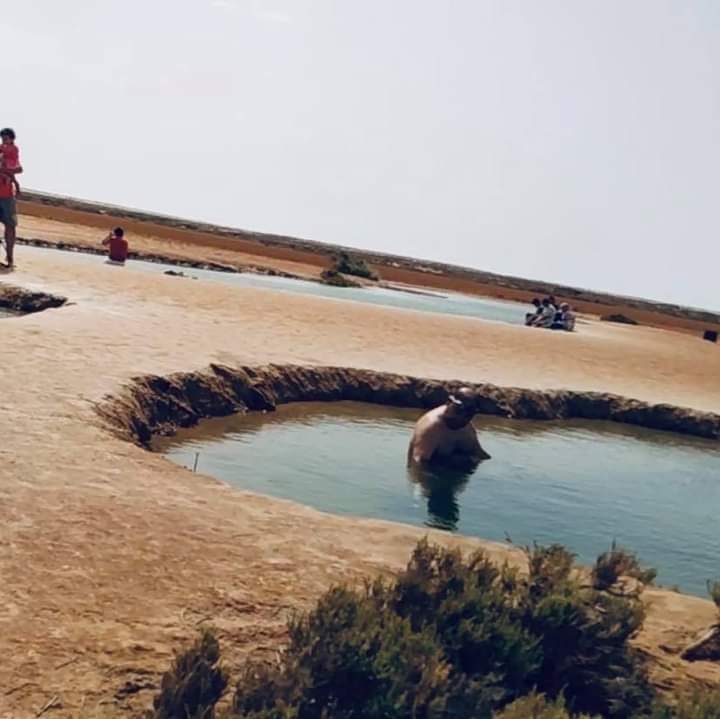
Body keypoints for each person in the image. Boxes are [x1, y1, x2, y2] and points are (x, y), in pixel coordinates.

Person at [407, 387, 491, 467]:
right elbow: (417, 465)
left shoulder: (466, 428)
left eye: (469, 414)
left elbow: (480, 454)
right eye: (458, 410)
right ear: (448, 402)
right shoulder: (431, 429)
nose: (461, 417)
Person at [0, 128, 23, 268]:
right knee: (10, 226)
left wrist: (6, 170)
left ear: (12, 139)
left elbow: (18, 169)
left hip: (7, 195)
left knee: (10, 226)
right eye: (2, 138)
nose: (4, 140)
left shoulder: (13, 151)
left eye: (6, 138)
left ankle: (10, 257)